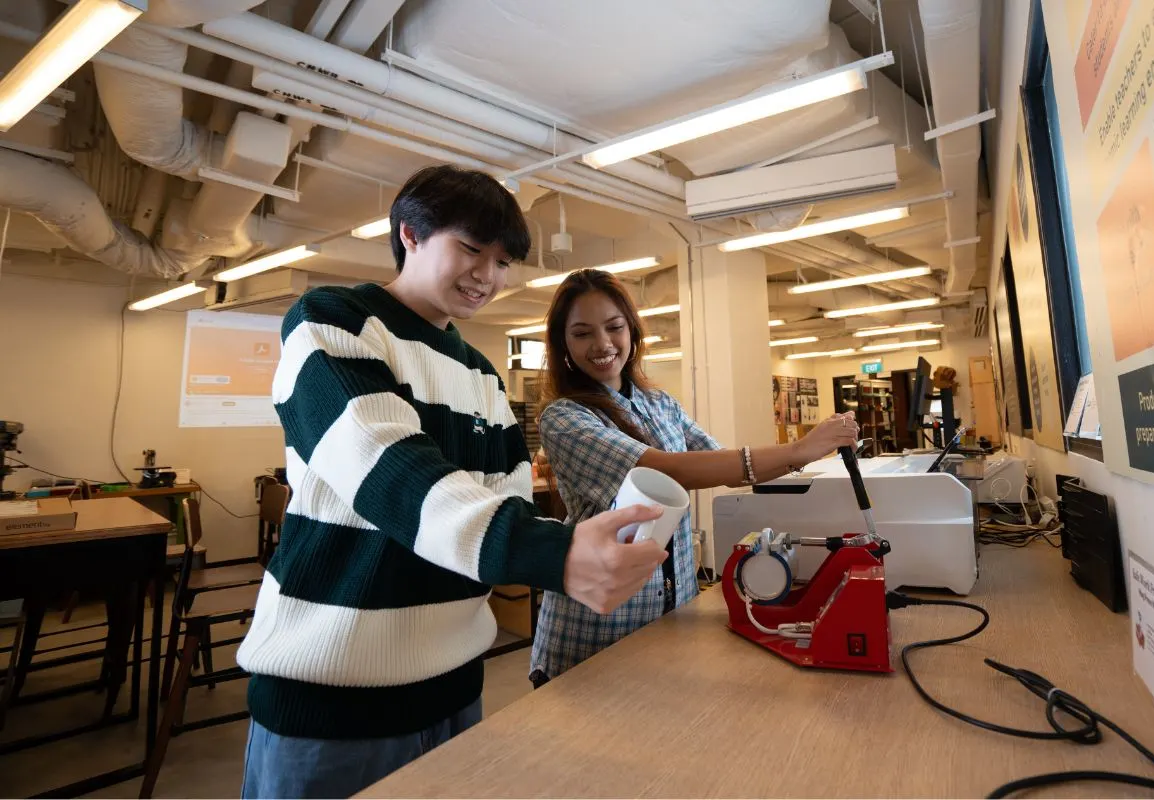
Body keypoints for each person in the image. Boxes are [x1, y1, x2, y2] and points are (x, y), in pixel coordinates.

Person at [237, 167, 667, 799]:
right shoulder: (334, 322)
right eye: (470, 249)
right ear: (409, 233)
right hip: (332, 698)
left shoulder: (483, 377)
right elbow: (386, 466)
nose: (486, 276)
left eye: (501, 262)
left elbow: (505, 505)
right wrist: (550, 552)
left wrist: (570, 545)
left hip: (456, 690)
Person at [528, 269, 860, 686]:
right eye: (581, 333)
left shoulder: (659, 403)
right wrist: (799, 450)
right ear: (563, 345)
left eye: (614, 327)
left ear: (631, 329)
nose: (602, 344)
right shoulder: (565, 417)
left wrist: (811, 453)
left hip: (670, 614)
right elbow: (664, 470)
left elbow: (720, 462)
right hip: (598, 629)